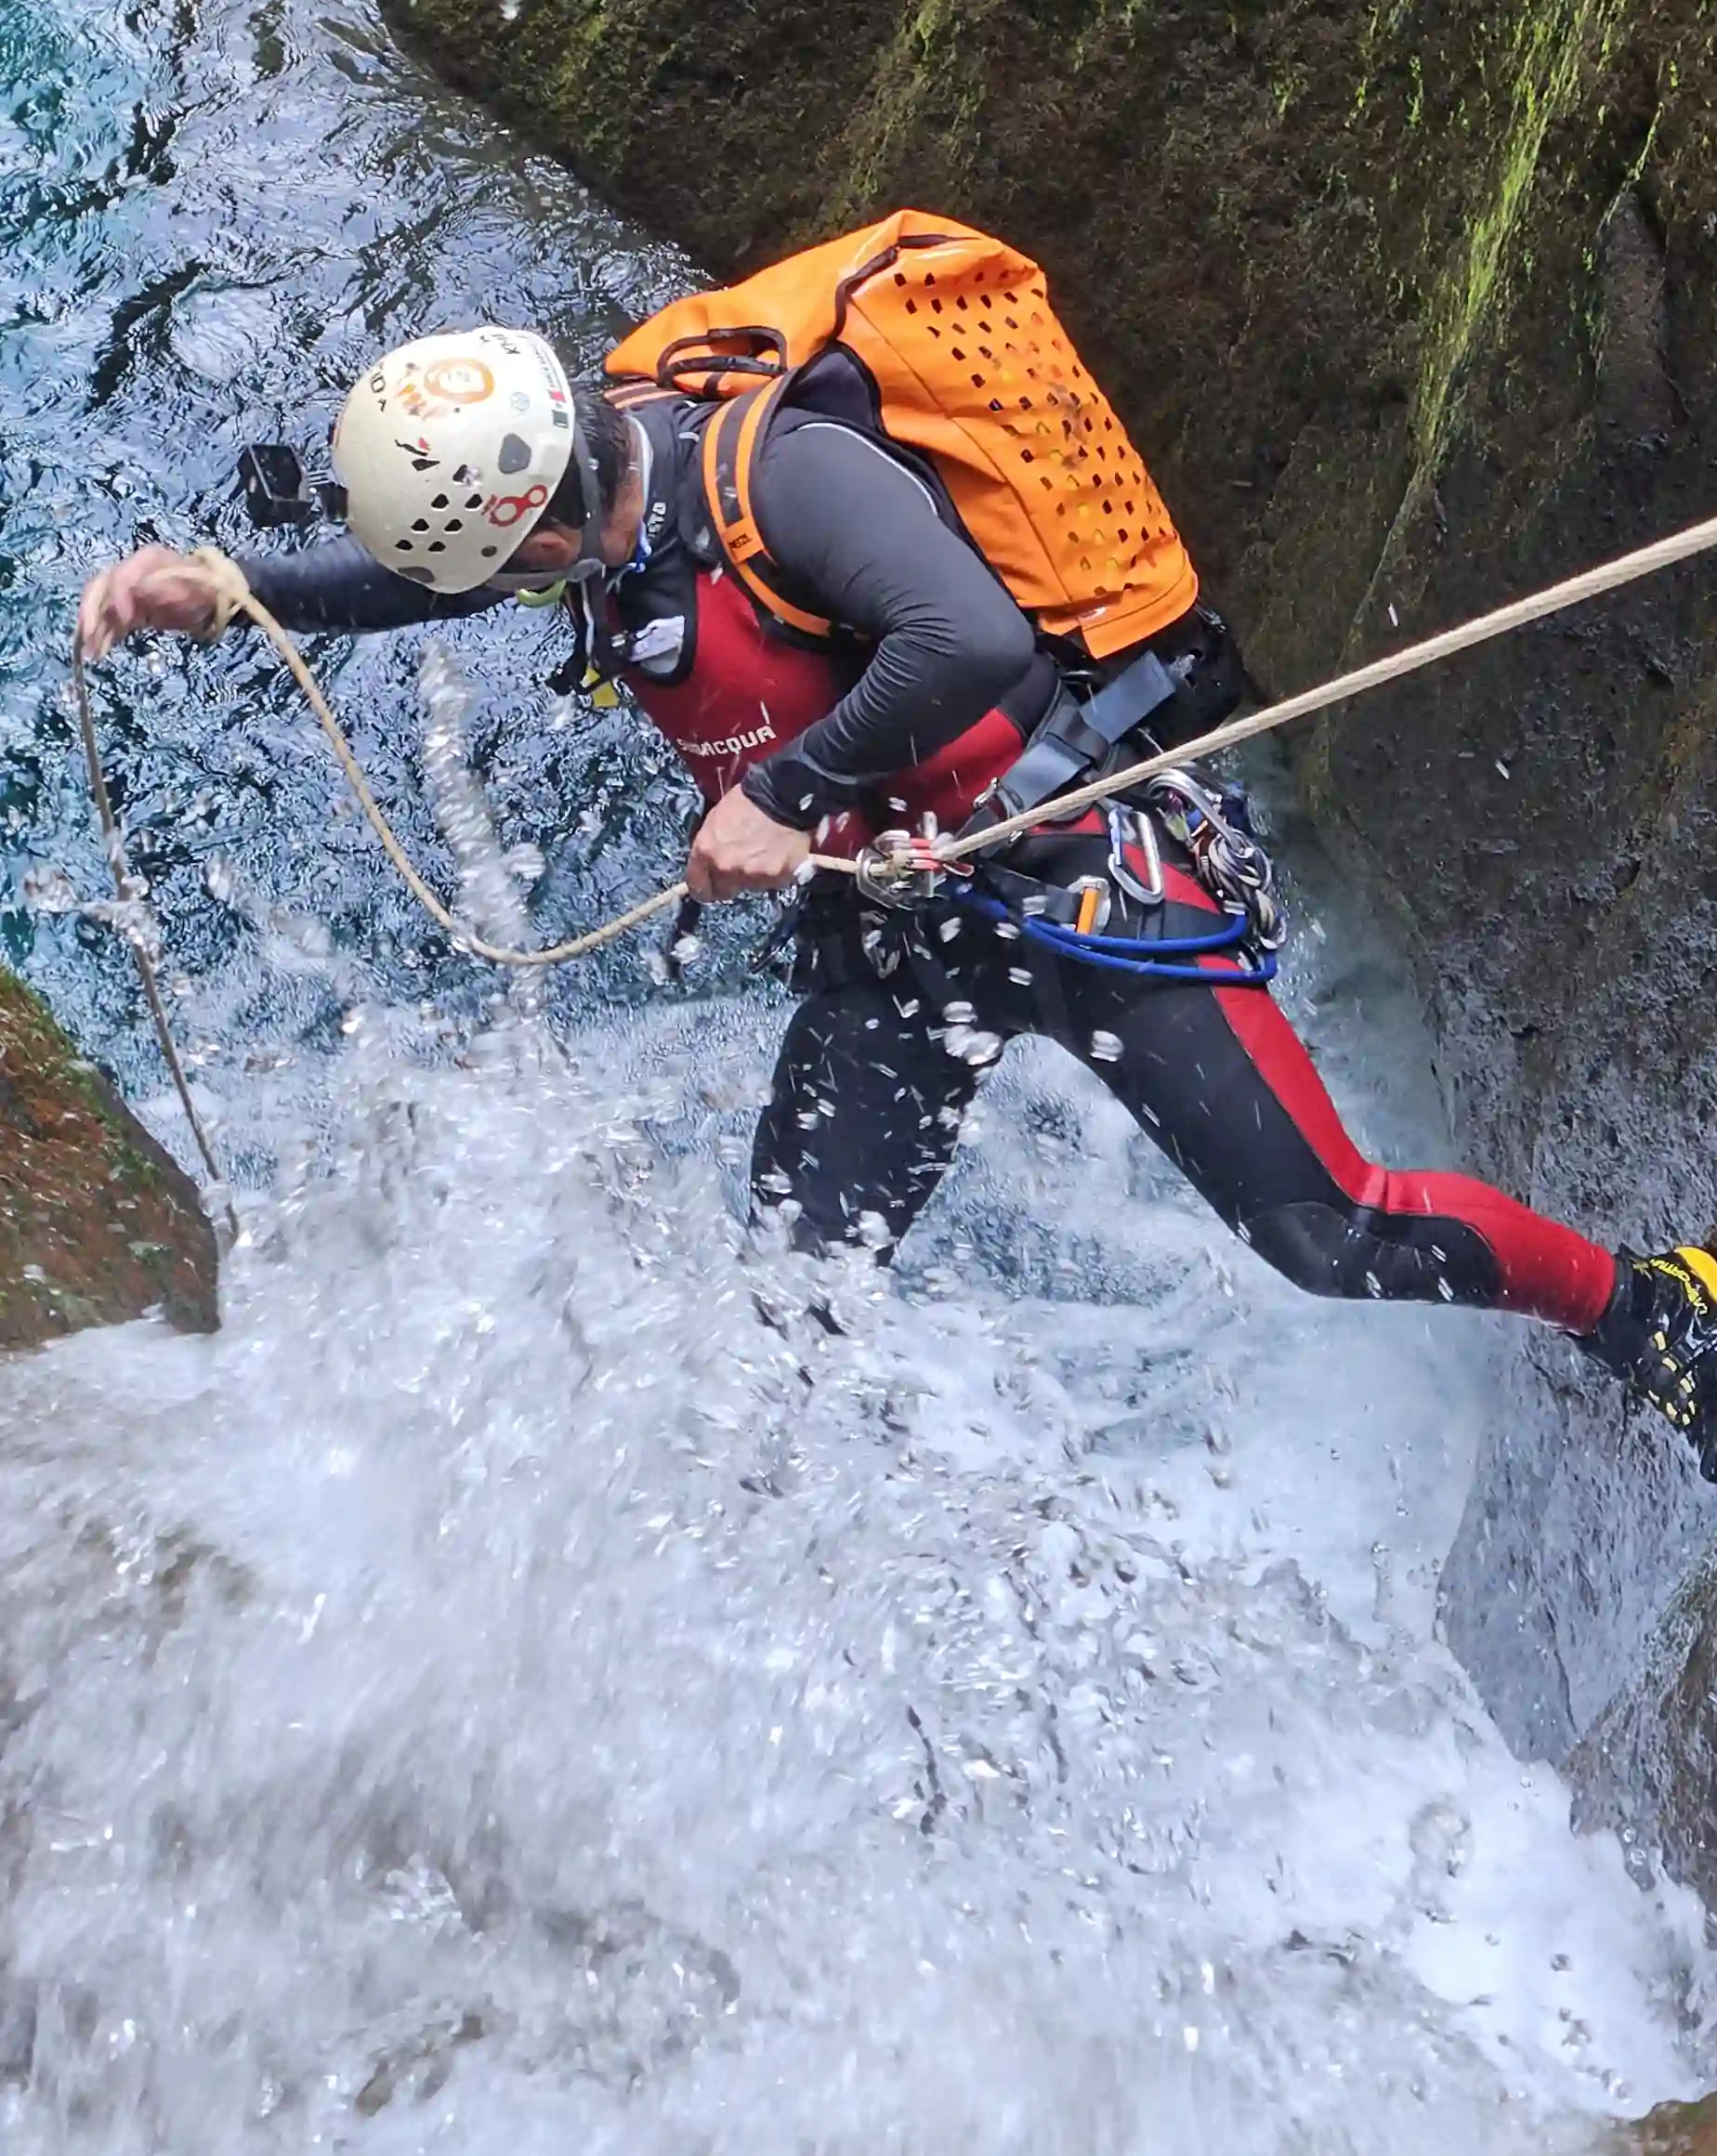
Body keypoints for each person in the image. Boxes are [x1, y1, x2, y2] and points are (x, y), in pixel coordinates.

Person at [77, 287, 1717, 1477]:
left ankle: (1653, 1311)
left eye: (506, 568)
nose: (501, 592)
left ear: (543, 517)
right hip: (905, 928)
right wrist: (226, 590)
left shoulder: (776, 475)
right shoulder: (578, 512)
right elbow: (418, 572)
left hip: (1083, 872)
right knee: (797, 1283)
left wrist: (785, 795)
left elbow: (972, 638)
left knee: (1320, 1226)